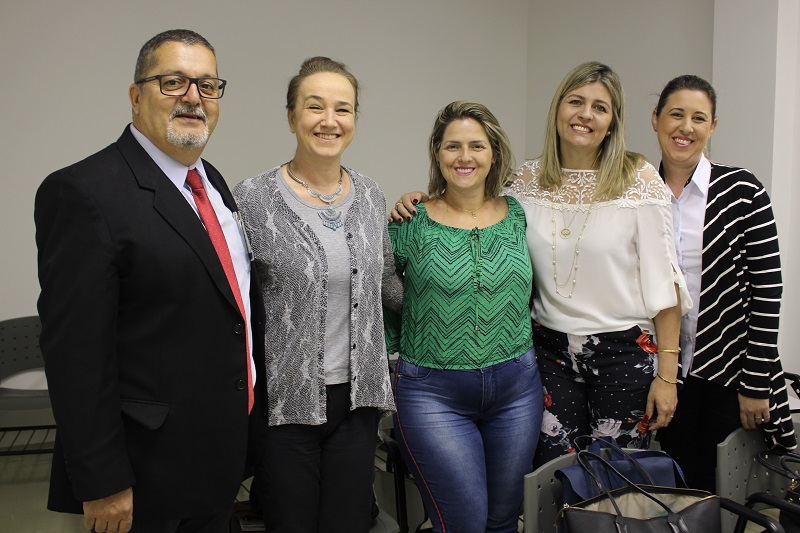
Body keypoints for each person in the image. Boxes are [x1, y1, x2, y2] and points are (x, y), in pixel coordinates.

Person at [392, 62, 691, 467]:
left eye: (600, 107)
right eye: (576, 101)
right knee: (551, 480)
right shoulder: (525, 182)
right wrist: (421, 202)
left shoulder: (638, 179)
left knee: (615, 479)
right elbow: (473, 206)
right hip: (549, 355)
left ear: (612, 123)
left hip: (622, 354)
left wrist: (668, 375)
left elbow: (665, 283)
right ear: (558, 110)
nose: (585, 114)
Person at [34, 29, 265, 533]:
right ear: (136, 96)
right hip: (145, 475)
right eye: (173, 82)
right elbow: (76, 356)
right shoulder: (83, 192)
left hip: (216, 458)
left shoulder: (211, 182)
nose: (193, 97)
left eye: (207, 85)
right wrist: (102, 481)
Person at [232, 56, 397, 533]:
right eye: (314, 107)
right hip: (284, 401)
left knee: (348, 523)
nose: (330, 120)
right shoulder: (251, 199)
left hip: (358, 401)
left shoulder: (371, 195)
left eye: (343, 109)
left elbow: (387, 284)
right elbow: (233, 301)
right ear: (291, 117)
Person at [386, 101, 543, 533]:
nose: (464, 156)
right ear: (437, 153)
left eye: (477, 145)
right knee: (464, 523)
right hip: (432, 393)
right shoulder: (410, 221)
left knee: (503, 521)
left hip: (517, 390)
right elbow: (379, 289)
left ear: (494, 153)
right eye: (452, 146)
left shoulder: (518, 215)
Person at [652, 74, 797, 492]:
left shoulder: (743, 191)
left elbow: (768, 291)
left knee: (726, 488)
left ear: (713, 126)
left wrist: (756, 382)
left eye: (699, 118)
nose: (686, 127)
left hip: (730, 371)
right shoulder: (640, 193)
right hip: (666, 370)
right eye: (676, 114)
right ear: (656, 119)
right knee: (676, 484)